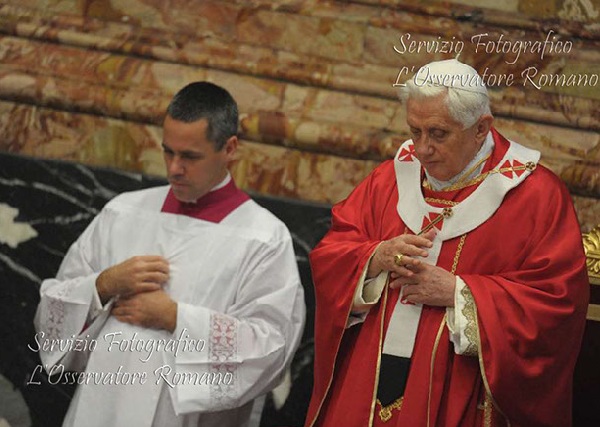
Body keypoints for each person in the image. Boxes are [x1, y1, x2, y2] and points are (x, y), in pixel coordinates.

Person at [304, 59, 589, 427]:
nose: (422, 149)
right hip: (366, 379)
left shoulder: (535, 197)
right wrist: (375, 256)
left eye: (438, 134)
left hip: (460, 389)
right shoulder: (388, 180)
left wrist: (459, 292)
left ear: (481, 128)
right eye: (415, 131)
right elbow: (331, 253)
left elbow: (556, 302)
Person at [34, 81, 305, 427]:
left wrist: (176, 317)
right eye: (168, 152)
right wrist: (104, 284)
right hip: (101, 408)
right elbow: (51, 313)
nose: (174, 168)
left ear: (229, 148)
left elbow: (271, 348)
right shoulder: (123, 212)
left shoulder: (264, 238)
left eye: (190, 156)